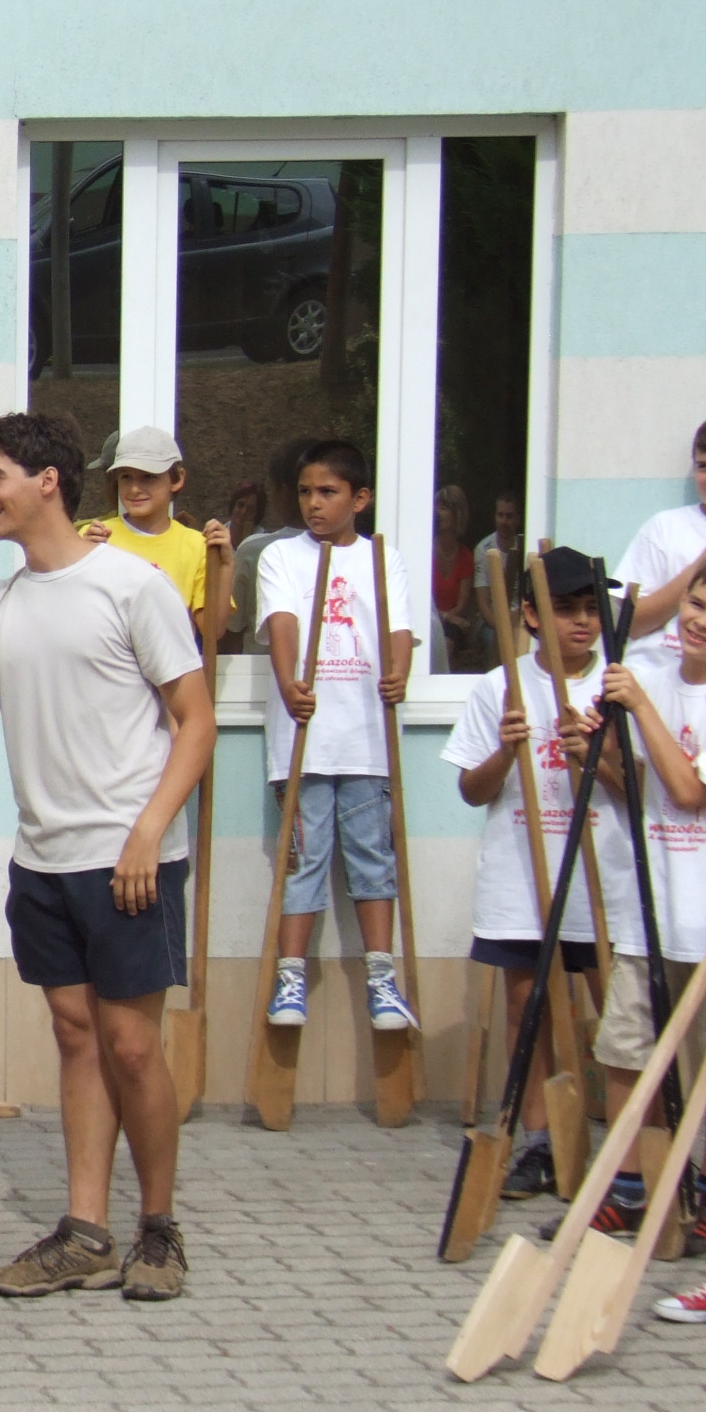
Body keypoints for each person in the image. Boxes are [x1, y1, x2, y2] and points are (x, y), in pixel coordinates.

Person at [0, 412, 213, 1303]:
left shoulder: (131, 586)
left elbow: (197, 720)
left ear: (47, 481)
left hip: (131, 857)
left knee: (132, 1045)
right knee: (75, 1035)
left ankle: (160, 1229)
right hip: (43, 861)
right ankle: (86, 1232)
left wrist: (149, 832)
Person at [441, 546, 641, 1203]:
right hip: (522, 881)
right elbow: (472, 791)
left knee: (616, 1012)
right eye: (565, 609)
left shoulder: (619, 686)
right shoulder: (500, 686)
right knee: (528, 1007)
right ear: (529, 615)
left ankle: (631, 1149)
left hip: (602, 884)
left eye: (591, 609)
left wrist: (596, 759)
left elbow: (642, 792)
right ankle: (539, 1141)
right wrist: (507, 750)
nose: (582, 622)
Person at [255, 441, 417, 1034]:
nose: (314, 504)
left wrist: (400, 673)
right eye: (305, 492)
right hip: (305, 740)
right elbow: (282, 623)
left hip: (367, 740)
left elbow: (398, 629)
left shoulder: (381, 557)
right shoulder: (281, 556)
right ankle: (291, 975)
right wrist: (288, 683)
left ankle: (382, 977)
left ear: (360, 498)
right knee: (303, 861)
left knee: (373, 858)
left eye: (328, 492)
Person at [590, 548, 706, 1253]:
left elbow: (690, 791)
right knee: (625, 1050)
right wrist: (601, 754)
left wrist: (639, 705)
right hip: (650, 907)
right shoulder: (657, 679)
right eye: (696, 604)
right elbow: (638, 787)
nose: (701, 622)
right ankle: (629, 1191)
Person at [78, 425, 232, 610]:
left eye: (148, 477)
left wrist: (225, 567)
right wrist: (81, 561)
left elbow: (212, 626)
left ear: (177, 479)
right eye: (126, 477)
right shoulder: (93, 537)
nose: (135, 488)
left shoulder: (197, 546)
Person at [615, 412, 706, 653]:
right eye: (703, 466)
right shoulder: (665, 527)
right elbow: (632, 625)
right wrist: (705, 561)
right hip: (658, 663)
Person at [227, 436, 317, 653]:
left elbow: (231, 631)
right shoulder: (348, 554)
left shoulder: (255, 550)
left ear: (282, 492)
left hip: (258, 670)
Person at [470, 492, 524, 673]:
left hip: (521, 618)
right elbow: (483, 604)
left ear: (518, 519)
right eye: (500, 515)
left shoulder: (525, 546)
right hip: (491, 621)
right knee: (494, 641)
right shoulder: (484, 549)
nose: (504, 521)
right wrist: (503, 628)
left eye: (509, 516)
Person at [432, 484, 476, 673]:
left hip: (452, 625)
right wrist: (444, 616)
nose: (438, 513)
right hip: (430, 619)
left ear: (457, 514)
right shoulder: (426, 550)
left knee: (447, 642)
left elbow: (461, 606)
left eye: (444, 508)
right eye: (436, 507)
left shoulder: (465, 557)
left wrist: (448, 617)